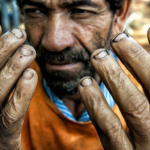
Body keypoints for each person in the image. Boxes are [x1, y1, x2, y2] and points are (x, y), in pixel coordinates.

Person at [0, 0, 150, 149]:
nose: (54, 42)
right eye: (35, 11)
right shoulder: (6, 94)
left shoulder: (145, 96)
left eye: (80, 11)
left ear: (120, 14)